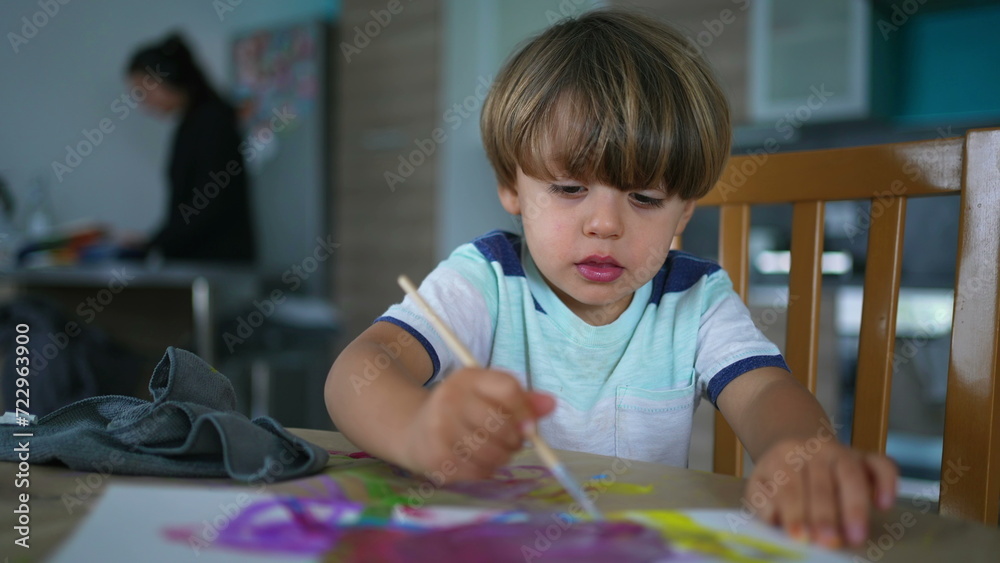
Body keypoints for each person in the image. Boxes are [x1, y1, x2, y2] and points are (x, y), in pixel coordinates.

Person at [324, 9, 897, 549]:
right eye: (570, 189)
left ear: (685, 211)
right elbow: (357, 373)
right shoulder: (488, 279)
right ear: (511, 187)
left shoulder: (694, 298)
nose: (605, 225)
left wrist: (798, 450)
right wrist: (417, 430)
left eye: (645, 198)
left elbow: (767, 391)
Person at [123, 33, 255, 263]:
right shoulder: (192, 122)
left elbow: (209, 204)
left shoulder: (212, 121)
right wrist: (154, 241)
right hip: (201, 261)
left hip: (217, 263)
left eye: (144, 92)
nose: (143, 103)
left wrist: (154, 242)